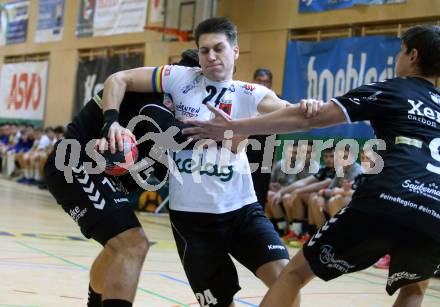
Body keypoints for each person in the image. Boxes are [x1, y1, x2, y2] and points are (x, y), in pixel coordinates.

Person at [183, 25, 440, 307]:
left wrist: (233, 128)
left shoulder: (393, 90)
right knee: (414, 288)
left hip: (390, 196)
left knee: (293, 274)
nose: (397, 58)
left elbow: (308, 120)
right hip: (435, 210)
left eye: (400, 52)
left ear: (413, 56)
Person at [98, 17, 318, 307]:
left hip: (242, 211)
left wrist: (306, 108)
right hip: (192, 221)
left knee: (285, 282)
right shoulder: (179, 78)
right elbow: (118, 79)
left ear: (235, 51)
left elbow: (291, 115)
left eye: (219, 48)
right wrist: (111, 123)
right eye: (204, 50)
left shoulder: (250, 92)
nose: (211, 56)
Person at [44, 50, 200, 307]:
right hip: (74, 164)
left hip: (106, 175)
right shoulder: (158, 92)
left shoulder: (180, 105)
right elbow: (157, 123)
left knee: (118, 247)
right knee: (133, 244)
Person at [247, 68, 275, 207]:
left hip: (267, 151)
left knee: (260, 192)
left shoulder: (276, 101)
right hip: (245, 148)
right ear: (253, 81)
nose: (263, 85)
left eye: (266, 82)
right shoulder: (245, 98)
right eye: (260, 81)